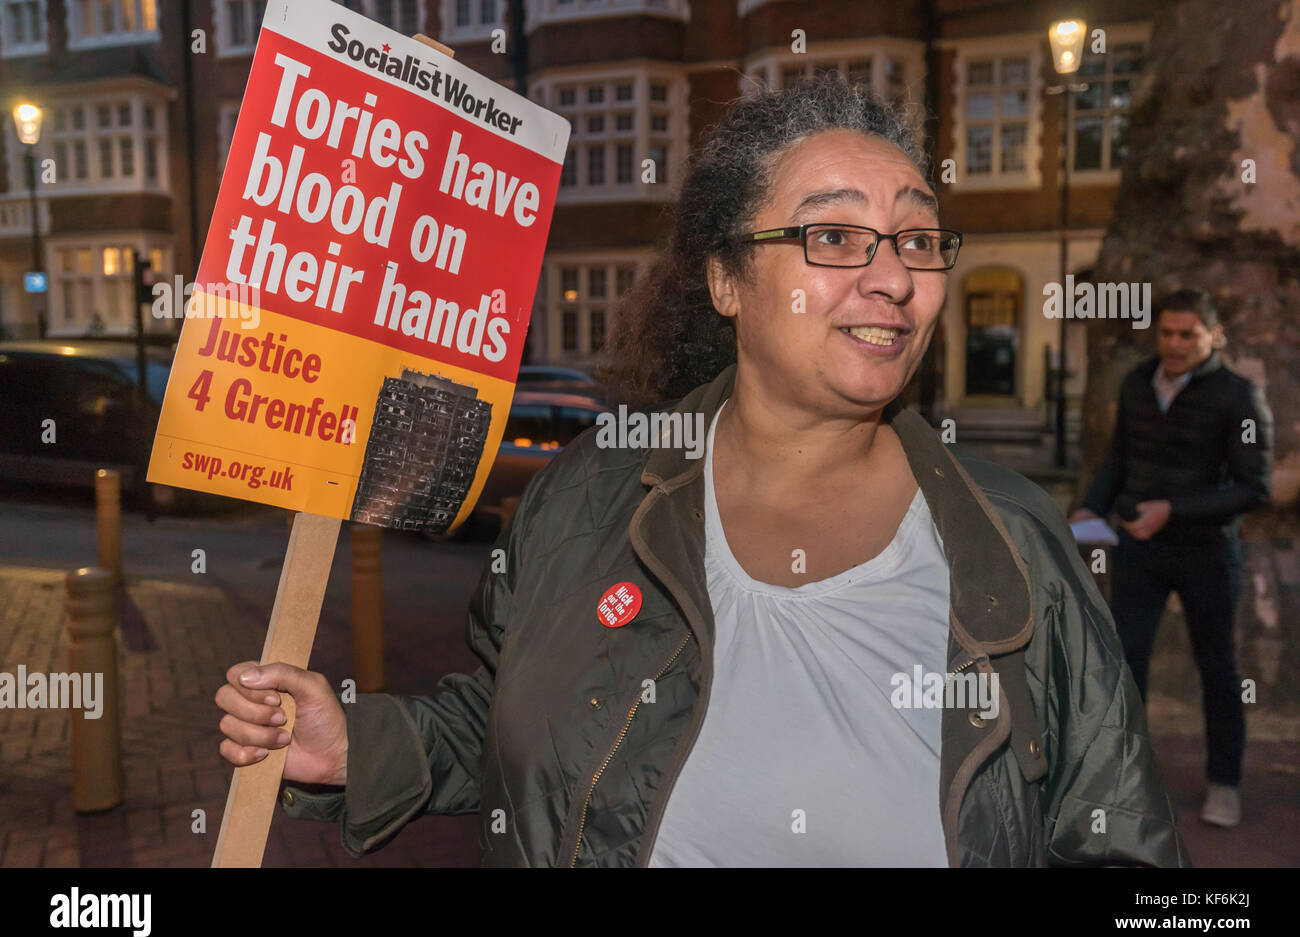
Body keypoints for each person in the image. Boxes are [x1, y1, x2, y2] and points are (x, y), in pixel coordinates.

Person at [216, 76, 1187, 867]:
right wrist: (358, 745)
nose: (892, 276)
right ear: (726, 279)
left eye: (917, 238)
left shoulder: (1011, 537)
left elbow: (1119, 844)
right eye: (834, 235)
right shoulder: (587, 496)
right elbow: (514, 722)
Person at [1071, 289, 1273, 829]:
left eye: (1189, 334)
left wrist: (1173, 510)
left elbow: (1255, 489)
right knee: (1125, 662)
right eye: (1167, 333)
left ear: (1214, 336)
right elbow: (1119, 455)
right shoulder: (1139, 382)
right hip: (1141, 549)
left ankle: (1223, 782)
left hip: (1208, 555)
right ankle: (1126, 778)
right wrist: (1090, 507)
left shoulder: (1239, 396)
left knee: (1219, 671)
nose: (1176, 344)